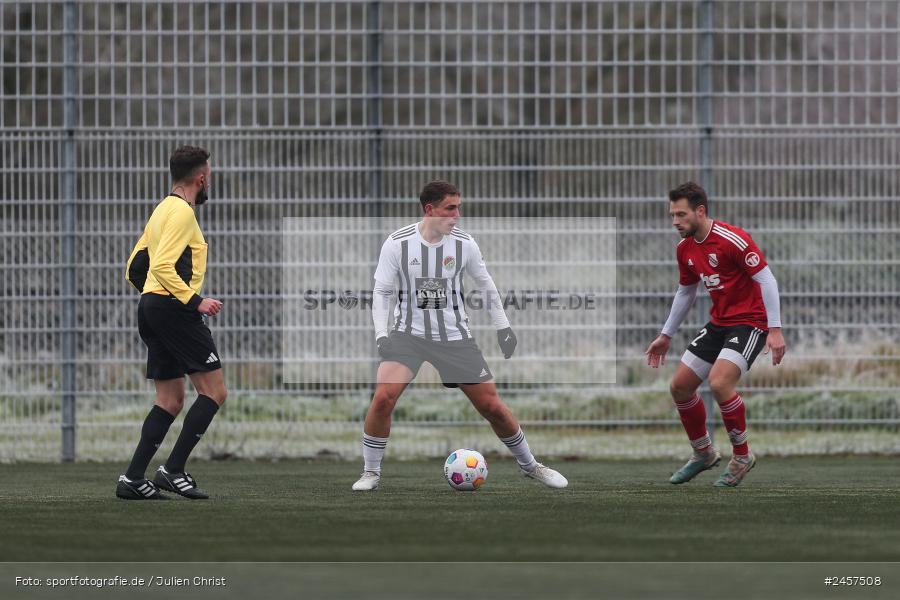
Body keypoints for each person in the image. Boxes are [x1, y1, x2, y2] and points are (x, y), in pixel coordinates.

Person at [352, 180, 568, 491]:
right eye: (450, 208)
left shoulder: (465, 244)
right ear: (430, 209)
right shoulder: (397, 243)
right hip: (407, 336)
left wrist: (503, 327)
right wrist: (381, 334)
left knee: (492, 406)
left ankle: (530, 465)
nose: (457, 215)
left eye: (459, 208)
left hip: (454, 338)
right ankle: (370, 473)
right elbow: (381, 291)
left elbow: (486, 285)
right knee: (383, 397)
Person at [645, 181, 786, 487]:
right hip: (719, 323)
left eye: (681, 215)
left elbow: (767, 279)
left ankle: (742, 456)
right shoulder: (684, 248)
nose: (675, 222)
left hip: (751, 323)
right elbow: (686, 292)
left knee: (720, 382)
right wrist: (666, 335)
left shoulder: (732, 239)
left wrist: (775, 329)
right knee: (680, 387)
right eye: (672, 215)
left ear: (700, 211)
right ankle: (703, 453)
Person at [116, 145, 226, 500]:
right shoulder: (182, 213)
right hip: (173, 308)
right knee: (214, 392)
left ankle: (133, 479)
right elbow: (163, 265)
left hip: (152, 307)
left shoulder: (161, 210)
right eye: (209, 176)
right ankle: (173, 470)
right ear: (201, 179)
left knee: (170, 399)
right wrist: (194, 301)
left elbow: (134, 268)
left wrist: (153, 299)